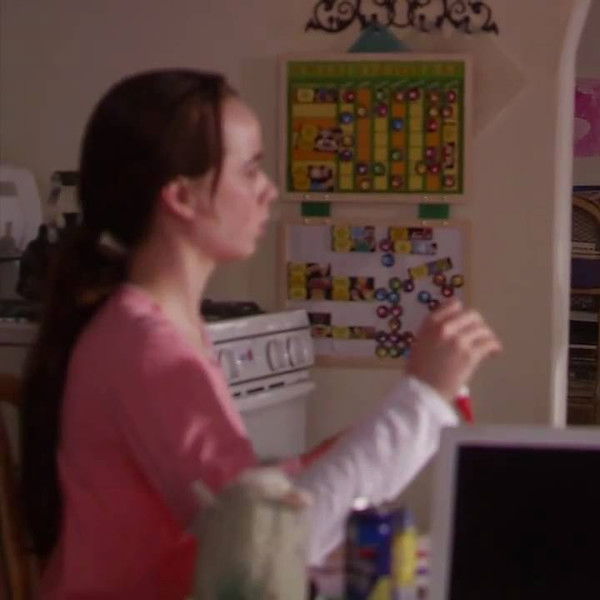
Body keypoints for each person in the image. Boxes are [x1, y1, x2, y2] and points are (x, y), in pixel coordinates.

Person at [20, 69, 501, 599]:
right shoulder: (146, 346)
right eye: (250, 170)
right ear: (181, 196)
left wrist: (414, 407)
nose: (269, 190)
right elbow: (262, 545)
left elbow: (244, 502)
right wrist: (422, 400)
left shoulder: (159, 328)